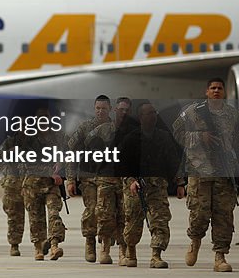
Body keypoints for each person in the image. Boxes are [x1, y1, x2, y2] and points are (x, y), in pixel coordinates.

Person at [173, 78, 239, 272]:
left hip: (225, 172)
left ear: (223, 92)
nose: (216, 91)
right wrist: (200, 137)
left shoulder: (232, 115)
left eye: (219, 88)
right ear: (207, 91)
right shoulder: (193, 111)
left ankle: (220, 256)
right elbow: (176, 132)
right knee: (199, 213)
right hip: (199, 171)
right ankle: (195, 241)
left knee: (224, 215)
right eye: (213, 88)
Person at [119, 102, 185, 268]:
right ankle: (131, 251)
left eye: (154, 113)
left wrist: (180, 183)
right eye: (148, 114)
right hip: (136, 188)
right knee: (133, 222)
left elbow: (173, 161)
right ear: (141, 118)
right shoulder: (131, 139)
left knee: (160, 221)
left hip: (157, 188)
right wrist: (131, 181)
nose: (153, 116)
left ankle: (156, 255)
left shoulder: (163, 137)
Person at [88, 96, 138, 265]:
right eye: (120, 109)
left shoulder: (135, 131)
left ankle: (123, 252)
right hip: (106, 178)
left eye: (127, 110)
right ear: (115, 110)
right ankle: (105, 249)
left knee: (126, 215)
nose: (123, 112)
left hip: (126, 179)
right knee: (105, 215)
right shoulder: (103, 129)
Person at [65, 95, 112, 262]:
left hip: (109, 179)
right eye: (98, 108)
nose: (100, 111)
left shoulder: (116, 128)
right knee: (91, 211)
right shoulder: (85, 128)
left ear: (110, 109)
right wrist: (71, 180)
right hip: (89, 178)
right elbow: (72, 152)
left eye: (104, 108)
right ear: (94, 109)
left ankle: (105, 246)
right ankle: (90, 242)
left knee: (107, 212)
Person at [21, 104, 66, 261]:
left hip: (52, 186)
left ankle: (54, 245)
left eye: (46, 119)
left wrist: (60, 166)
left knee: (54, 213)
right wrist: (50, 172)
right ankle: (38, 247)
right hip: (32, 185)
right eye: (40, 119)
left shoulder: (57, 137)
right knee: (36, 218)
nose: (43, 122)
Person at [0, 128, 27, 257]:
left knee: (37, 214)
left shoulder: (38, 141)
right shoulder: (10, 142)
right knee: (15, 215)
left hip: (33, 181)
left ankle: (40, 242)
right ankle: (14, 244)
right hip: (13, 183)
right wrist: (10, 153)